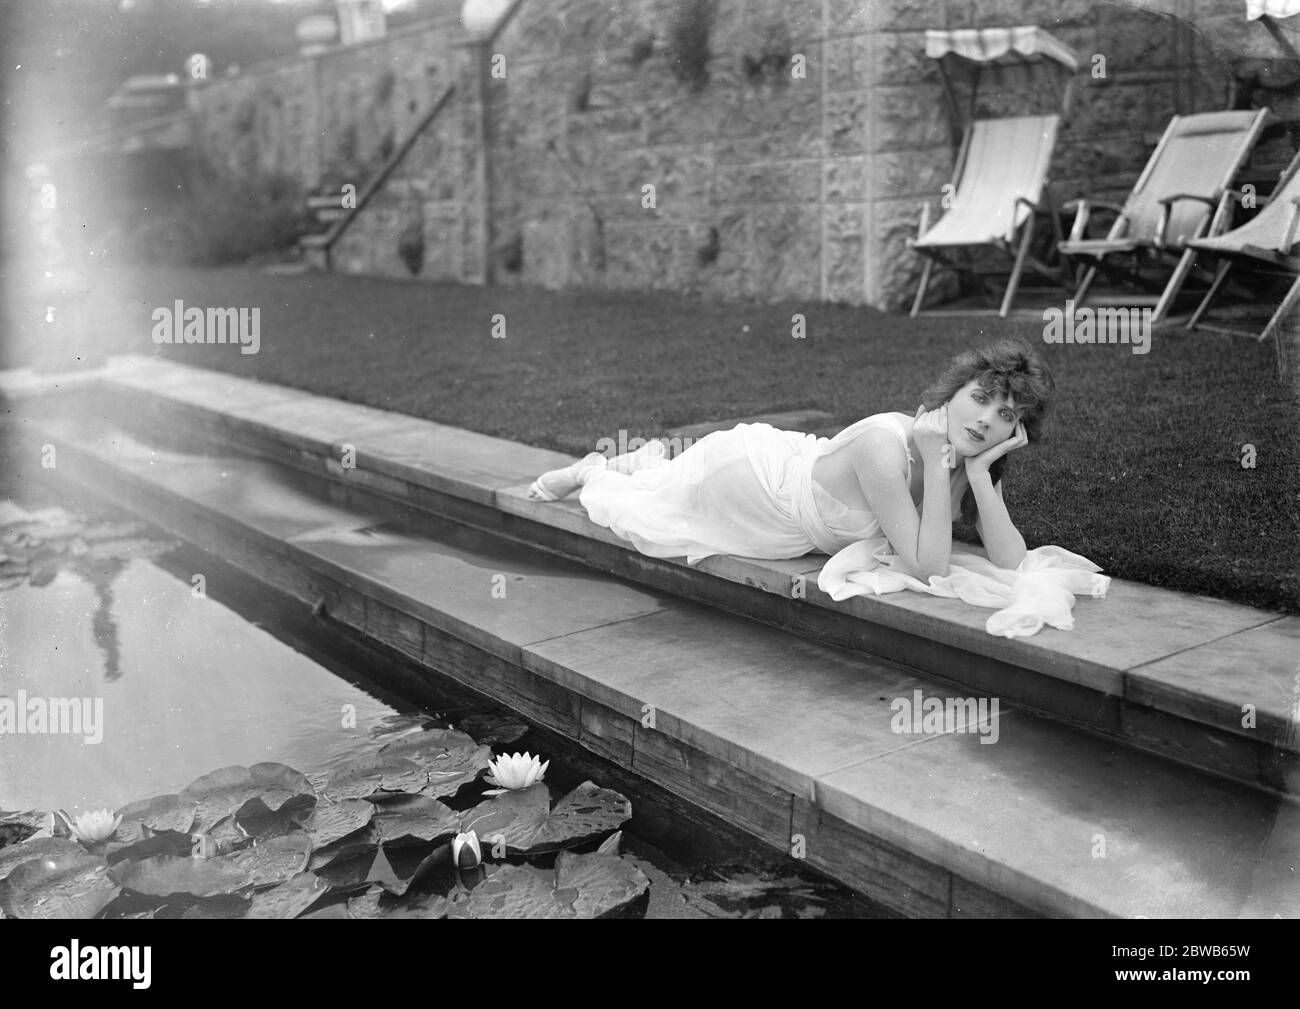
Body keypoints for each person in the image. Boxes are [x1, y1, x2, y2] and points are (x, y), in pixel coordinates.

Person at [527, 337, 1054, 578]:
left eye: (1007, 417)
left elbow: (1013, 562)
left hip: (796, 495)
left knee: (661, 480)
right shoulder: (885, 445)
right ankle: (594, 469)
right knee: (651, 501)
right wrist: (937, 466)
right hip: (754, 482)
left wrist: (983, 477)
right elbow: (928, 568)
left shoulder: (971, 456)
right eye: (981, 399)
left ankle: (642, 459)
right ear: (952, 396)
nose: (987, 420)